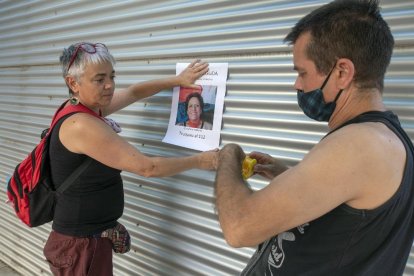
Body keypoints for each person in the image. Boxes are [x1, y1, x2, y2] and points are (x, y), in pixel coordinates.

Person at [214, 0, 414, 275]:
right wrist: (285, 175)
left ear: (342, 72)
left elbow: (238, 227)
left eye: (302, 72)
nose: (298, 84)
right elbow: (347, 215)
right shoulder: (375, 138)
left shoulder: (362, 145)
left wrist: (228, 155)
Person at [42, 42, 217, 276]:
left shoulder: (84, 108)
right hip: (81, 247)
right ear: (73, 83)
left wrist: (178, 80)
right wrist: (200, 161)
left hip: (85, 241)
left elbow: (134, 92)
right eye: (100, 79)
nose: (110, 85)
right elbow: (148, 167)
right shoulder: (81, 124)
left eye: (112, 76)